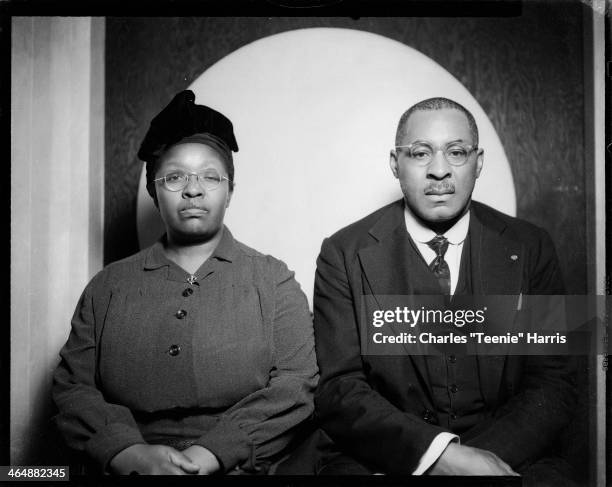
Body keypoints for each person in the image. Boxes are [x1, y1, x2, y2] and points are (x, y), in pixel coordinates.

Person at [312, 97, 577, 485]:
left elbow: (554, 383)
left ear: (478, 162)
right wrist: (437, 459)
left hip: (510, 454)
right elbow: (340, 390)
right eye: (420, 153)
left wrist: (473, 463)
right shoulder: (342, 253)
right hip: (383, 458)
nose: (439, 170)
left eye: (456, 152)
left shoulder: (532, 246)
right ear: (394, 164)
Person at [52, 90, 318, 475]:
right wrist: (127, 453)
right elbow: (72, 388)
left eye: (211, 176)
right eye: (174, 177)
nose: (193, 189)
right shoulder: (108, 286)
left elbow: (296, 385)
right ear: (153, 191)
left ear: (230, 191)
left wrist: (209, 456)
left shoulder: (272, 280)